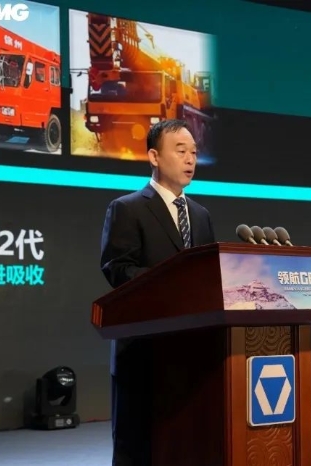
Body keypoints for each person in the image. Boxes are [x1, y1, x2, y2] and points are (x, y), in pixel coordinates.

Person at [99, 119, 216, 465]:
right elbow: (118, 269)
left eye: (193, 152)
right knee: (138, 448)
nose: (190, 159)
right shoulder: (127, 208)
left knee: (185, 444)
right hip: (144, 350)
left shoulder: (201, 215)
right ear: (154, 156)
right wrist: (174, 284)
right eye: (180, 151)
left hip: (192, 351)